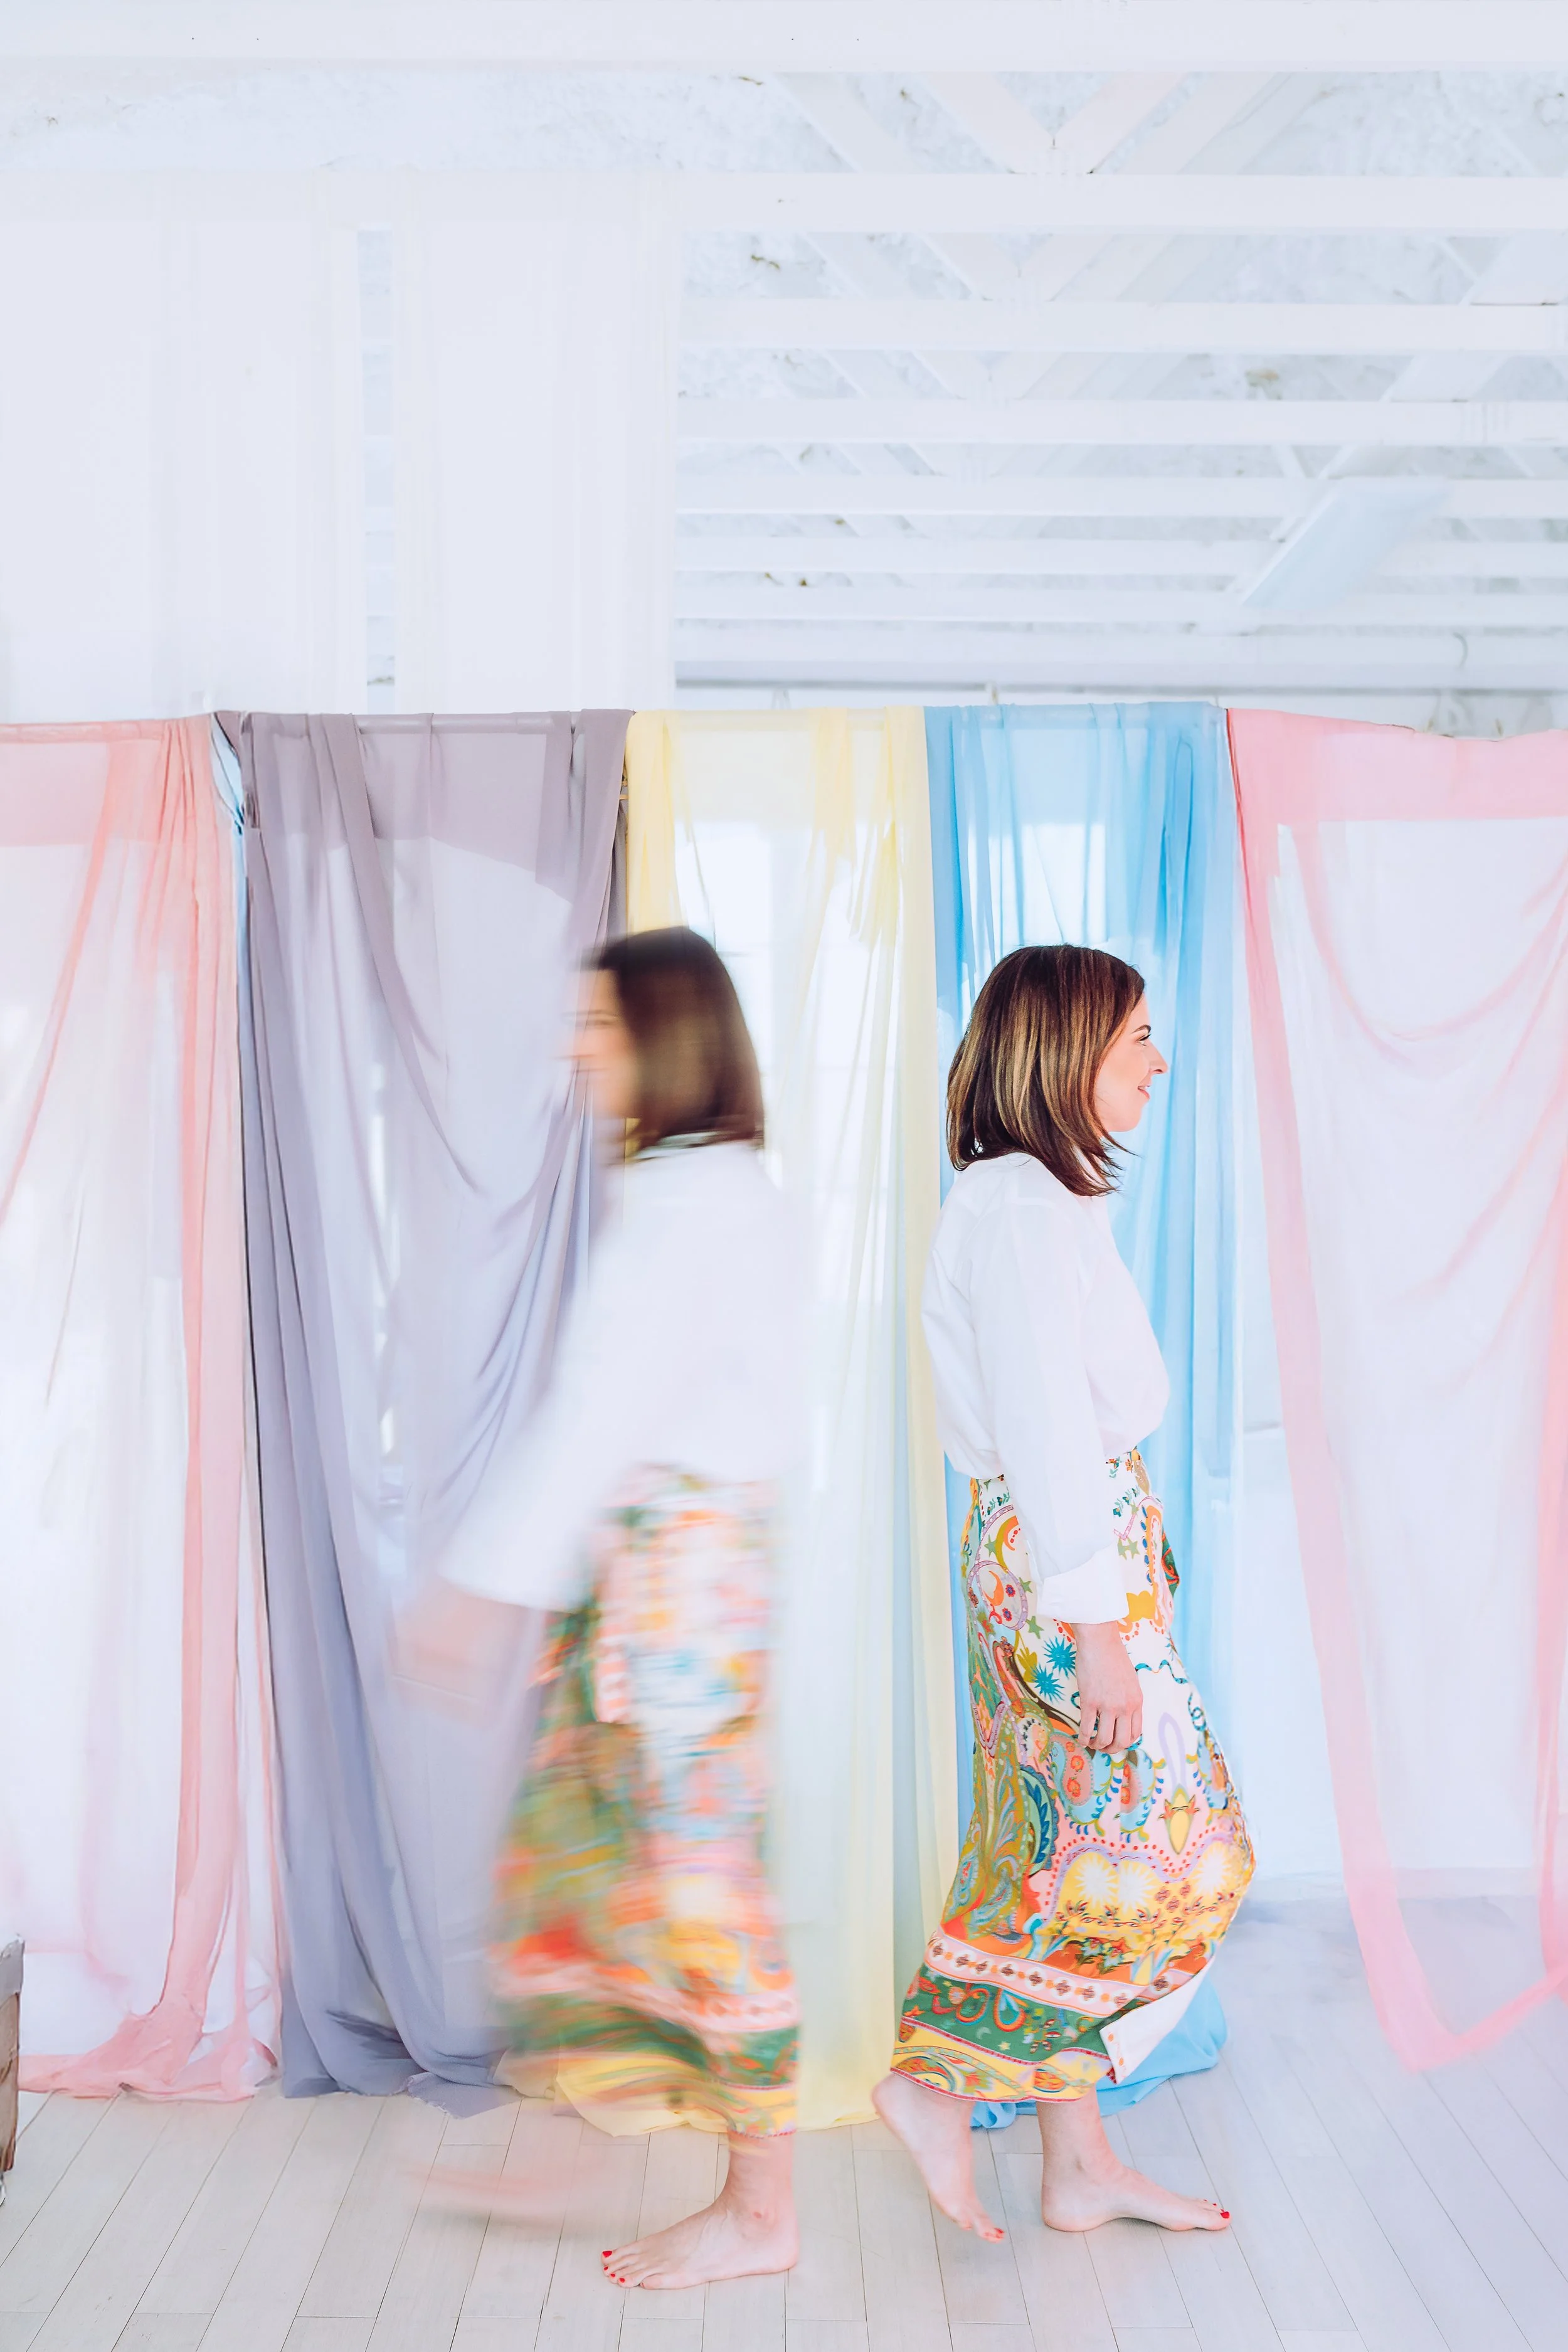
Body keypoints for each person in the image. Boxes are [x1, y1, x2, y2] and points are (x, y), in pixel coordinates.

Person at [398, 927, 803, 2291]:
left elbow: (598, 1423)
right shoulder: (708, 1193)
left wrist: (479, 1593)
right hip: (671, 1587)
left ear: (663, 1038)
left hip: (680, 1598)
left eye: (600, 1026)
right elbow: (629, 1431)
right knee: (588, 1867)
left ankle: (762, 2209)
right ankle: (578, 2155)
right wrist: (571, 1606)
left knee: (699, 1890)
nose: (577, 1049)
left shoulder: (691, 1211)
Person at [873, 944, 1254, 2238]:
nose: (1159, 1059)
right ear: (1069, 1048)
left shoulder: (1029, 1199)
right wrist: (1098, 1630)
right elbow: (1044, 1428)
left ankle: (1077, 2162)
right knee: (1157, 1850)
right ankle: (935, 2083)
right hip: (1061, 1569)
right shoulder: (1023, 1210)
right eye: (1138, 1035)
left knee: (1066, 1852)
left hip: (1060, 1555)